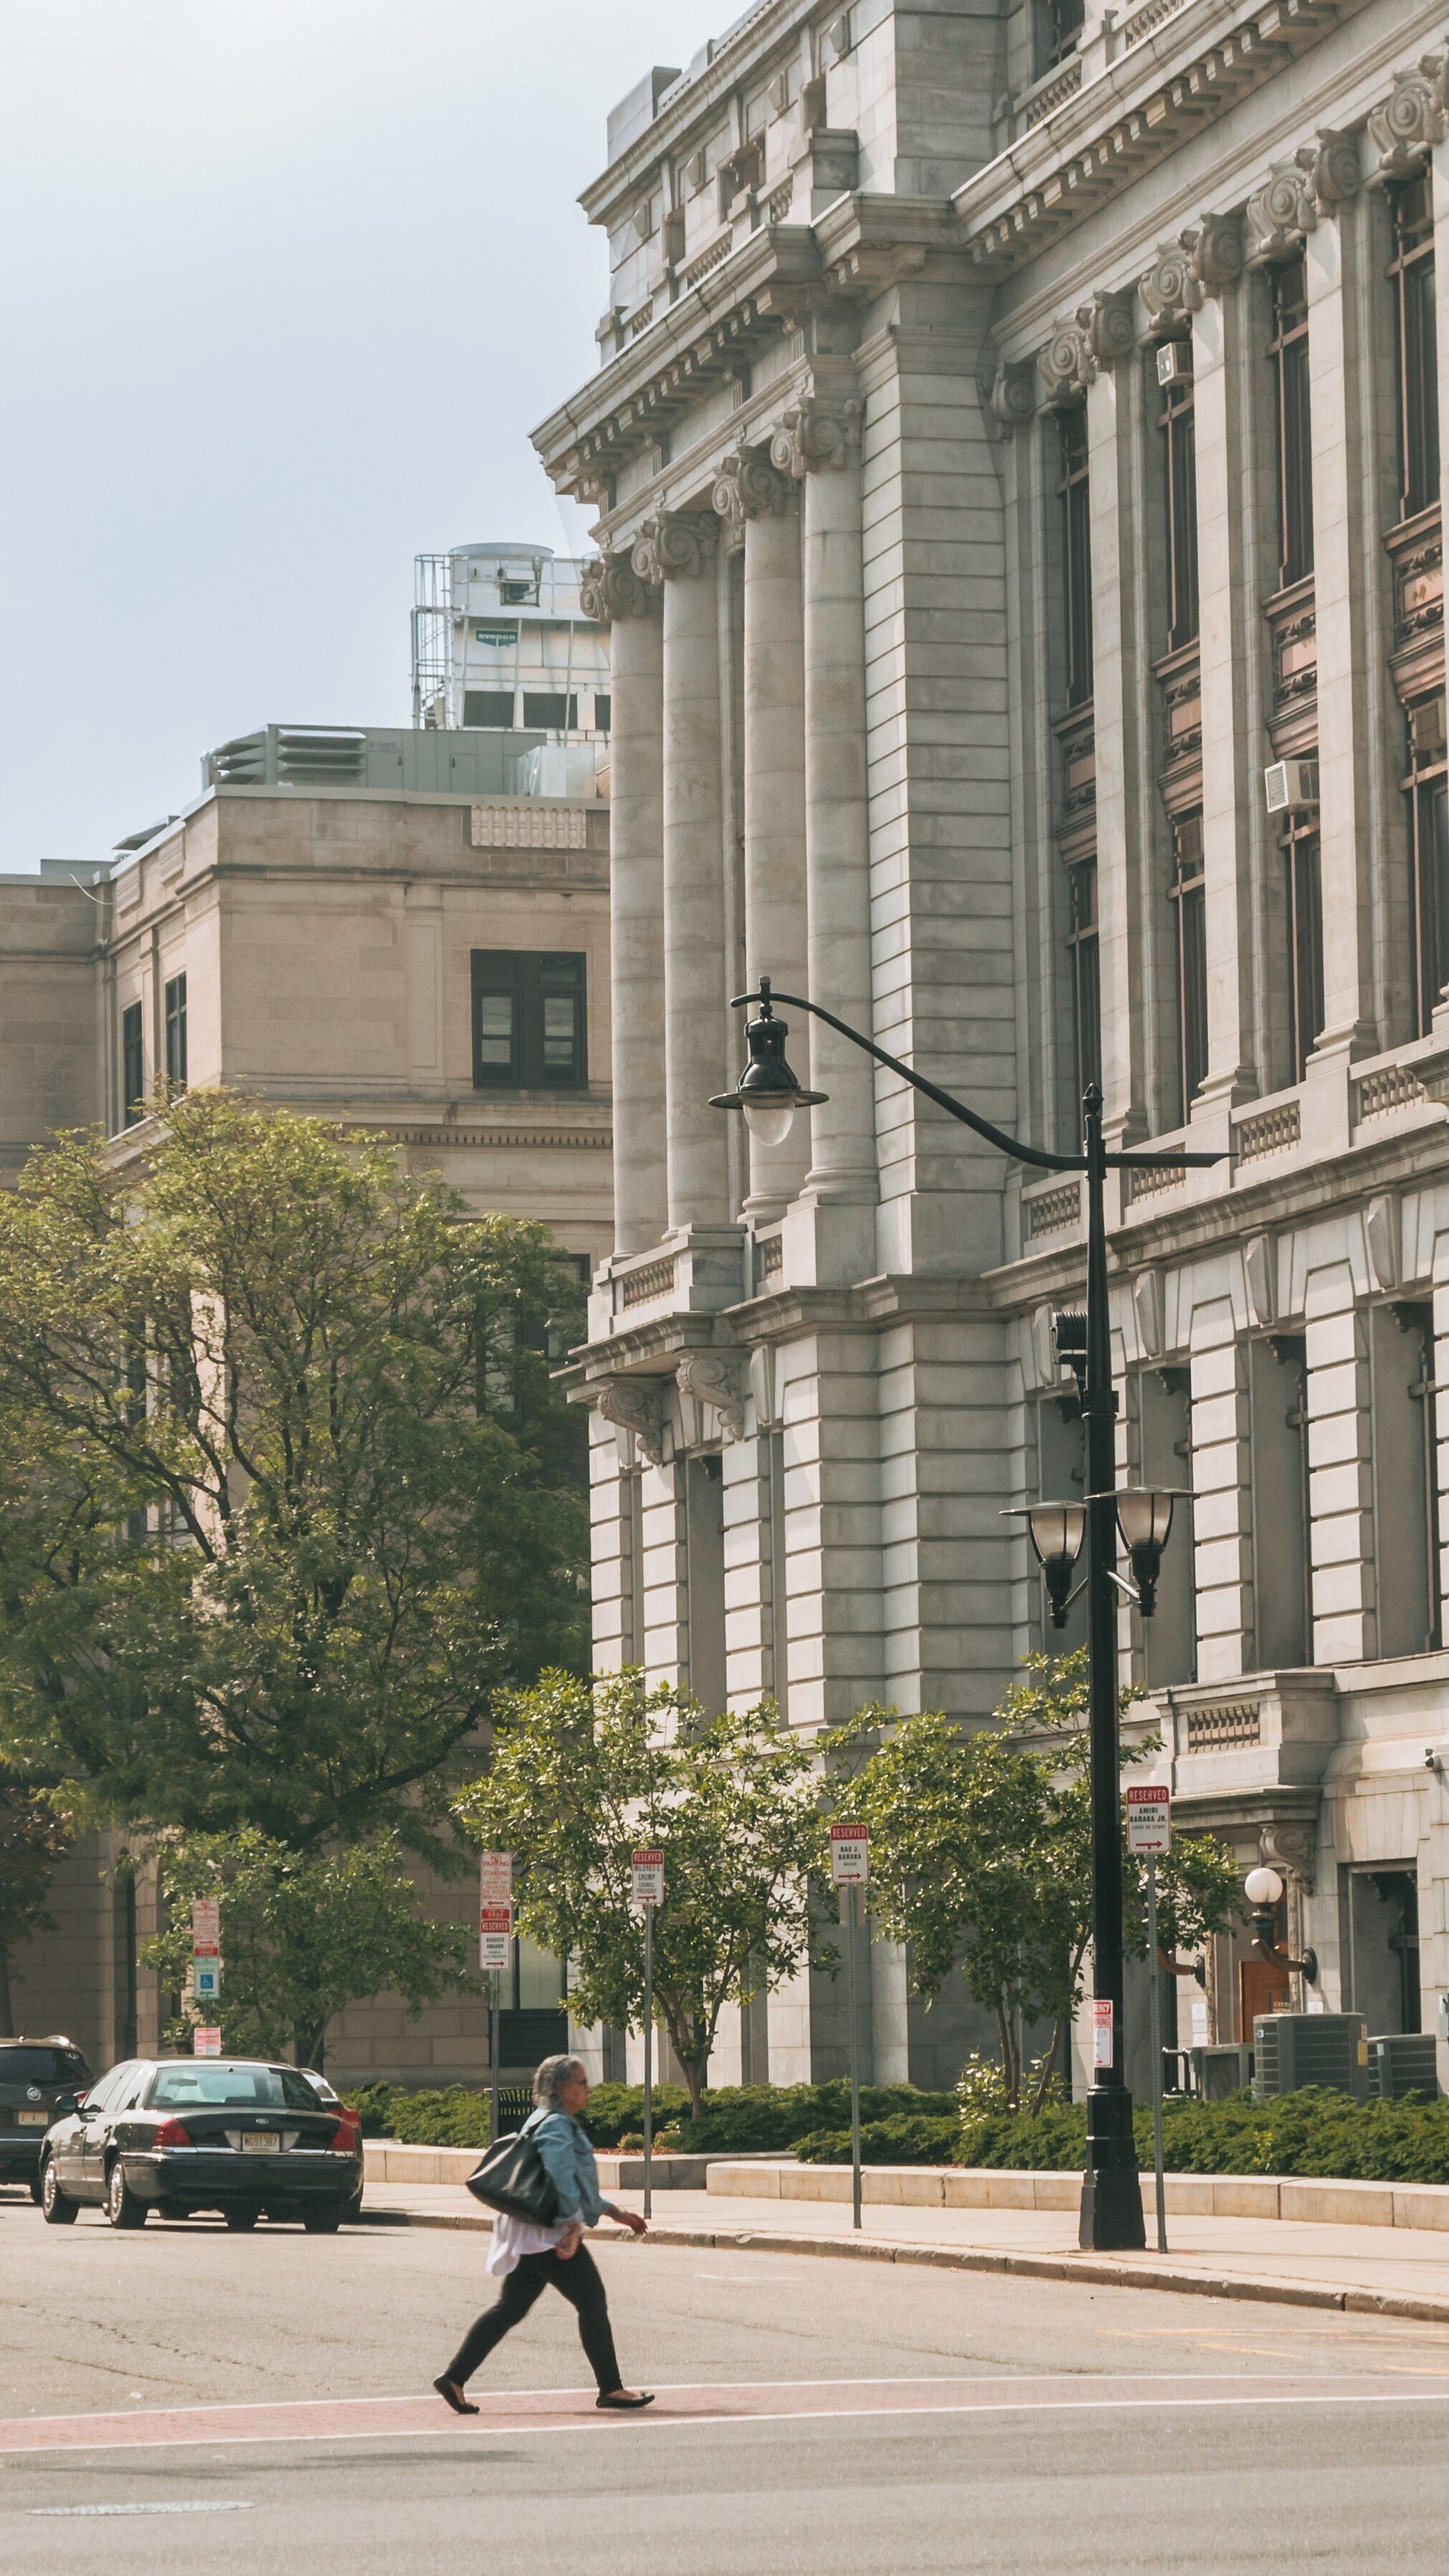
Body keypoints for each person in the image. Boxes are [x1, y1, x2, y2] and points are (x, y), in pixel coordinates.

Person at [433, 2052, 653, 2415]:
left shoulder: (545, 2119)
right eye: (582, 2082)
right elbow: (561, 2177)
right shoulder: (556, 2125)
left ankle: (454, 2378)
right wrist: (571, 2228)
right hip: (549, 2232)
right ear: (563, 2087)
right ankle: (611, 2388)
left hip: (529, 2231)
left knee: (510, 2308)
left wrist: (615, 2212)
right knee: (592, 2302)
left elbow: (575, 2183)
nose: (588, 2089)